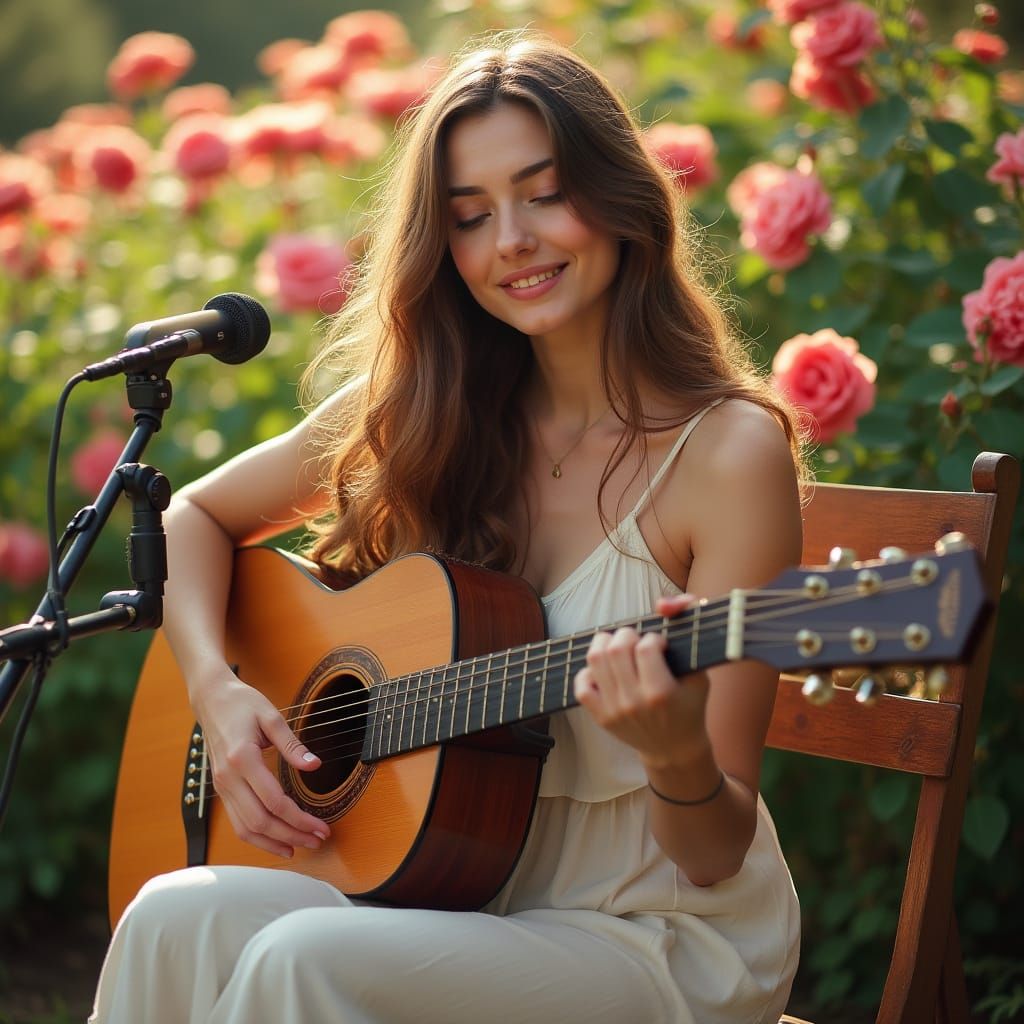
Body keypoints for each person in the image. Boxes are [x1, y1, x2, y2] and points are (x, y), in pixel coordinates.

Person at [91, 31, 806, 1024]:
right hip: (463, 889)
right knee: (171, 917)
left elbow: (714, 851)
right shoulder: (429, 410)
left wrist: (676, 753)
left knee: (304, 960)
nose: (510, 240)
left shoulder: (725, 456)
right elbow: (192, 515)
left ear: (620, 199)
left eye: (543, 194)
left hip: (652, 935)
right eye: (470, 216)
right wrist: (218, 691)